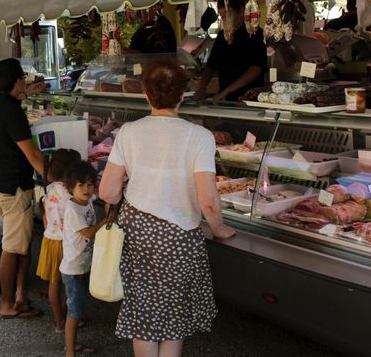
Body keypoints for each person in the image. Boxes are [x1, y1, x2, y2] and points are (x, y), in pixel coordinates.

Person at [100, 58, 236, 357]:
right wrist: (219, 229)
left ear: (147, 95)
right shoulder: (199, 136)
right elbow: (208, 201)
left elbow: (107, 192)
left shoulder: (129, 132)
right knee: (174, 317)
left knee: (143, 312)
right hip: (180, 236)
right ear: (182, 95)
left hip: (138, 233)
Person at [0, 58, 46, 319]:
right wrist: (56, 177)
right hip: (13, 189)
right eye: (23, 79)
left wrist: (26, 94)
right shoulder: (12, 112)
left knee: (21, 245)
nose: (26, 82)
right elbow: (32, 155)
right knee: (12, 248)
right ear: (17, 80)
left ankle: (21, 296)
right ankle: (7, 304)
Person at [60, 160, 106, 356]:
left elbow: (104, 194)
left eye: (90, 184)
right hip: (73, 269)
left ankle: (72, 345)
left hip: (81, 265)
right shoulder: (73, 210)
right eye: (81, 185)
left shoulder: (87, 200)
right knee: (74, 313)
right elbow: (88, 232)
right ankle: (70, 351)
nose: (87, 189)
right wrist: (106, 220)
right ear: (70, 187)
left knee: (75, 307)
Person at [36, 148, 82, 333]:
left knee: (54, 283)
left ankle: (59, 321)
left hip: (50, 241)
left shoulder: (49, 188)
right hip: (66, 243)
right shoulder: (72, 194)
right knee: (69, 284)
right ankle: (69, 315)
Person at [195, 0, 266, 101]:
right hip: (225, 99)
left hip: (248, 100)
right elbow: (211, 66)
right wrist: (202, 87)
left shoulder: (255, 34)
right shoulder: (221, 36)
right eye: (223, 18)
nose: (225, 22)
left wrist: (227, 91)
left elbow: (255, 69)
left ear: (241, 11)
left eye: (228, 17)